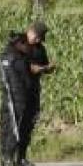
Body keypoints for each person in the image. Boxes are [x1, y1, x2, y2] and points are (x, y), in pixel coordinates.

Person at [0, 33, 36, 166]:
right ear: (19, 44)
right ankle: (9, 158)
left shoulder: (2, 57)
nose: (28, 48)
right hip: (18, 98)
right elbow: (25, 80)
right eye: (26, 44)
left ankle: (3, 158)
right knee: (14, 128)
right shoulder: (17, 59)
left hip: (7, 97)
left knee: (5, 127)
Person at [25, 21, 55, 150]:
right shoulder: (20, 46)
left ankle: (22, 154)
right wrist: (38, 68)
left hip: (34, 87)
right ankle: (13, 155)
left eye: (40, 38)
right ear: (30, 32)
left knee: (32, 119)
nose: (37, 40)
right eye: (36, 37)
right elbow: (25, 66)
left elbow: (44, 65)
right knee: (21, 121)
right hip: (21, 88)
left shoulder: (40, 47)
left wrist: (49, 68)